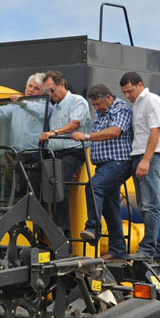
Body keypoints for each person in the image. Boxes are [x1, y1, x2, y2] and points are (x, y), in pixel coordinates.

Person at [71, 84, 133, 260]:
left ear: (108, 97)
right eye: (94, 105)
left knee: (93, 186)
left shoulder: (120, 109)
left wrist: (87, 136)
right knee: (110, 207)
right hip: (104, 165)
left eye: (98, 104)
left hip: (118, 162)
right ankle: (118, 249)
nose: (96, 108)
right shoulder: (102, 112)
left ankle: (93, 228)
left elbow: (114, 132)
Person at [120, 72, 160, 261]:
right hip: (140, 154)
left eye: (130, 91)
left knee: (150, 205)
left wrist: (146, 160)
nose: (127, 95)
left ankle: (148, 248)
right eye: (124, 92)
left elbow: (155, 131)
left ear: (140, 85)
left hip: (151, 155)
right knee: (145, 205)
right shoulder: (138, 104)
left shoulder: (151, 101)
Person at [37, 70, 92, 236]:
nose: (50, 94)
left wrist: (53, 132)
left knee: (59, 181)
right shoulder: (52, 107)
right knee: (43, 183)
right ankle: (43, 225)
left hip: (73, 151)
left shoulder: (77, 101)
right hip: (55, 153)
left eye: (52, 90)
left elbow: (74, 124)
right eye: (47, 91)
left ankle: (62, 227)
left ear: (62, 84)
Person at [0, 73, 50, 151]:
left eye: (36, 88)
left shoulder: (45, 105)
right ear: (26, 87)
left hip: (36, 154)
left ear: (43, 92)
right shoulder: (17, 105)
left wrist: (22, 103)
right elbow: (2, 112)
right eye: (30, 86)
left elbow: (39, 111)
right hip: (16, 154)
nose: (31, 90)